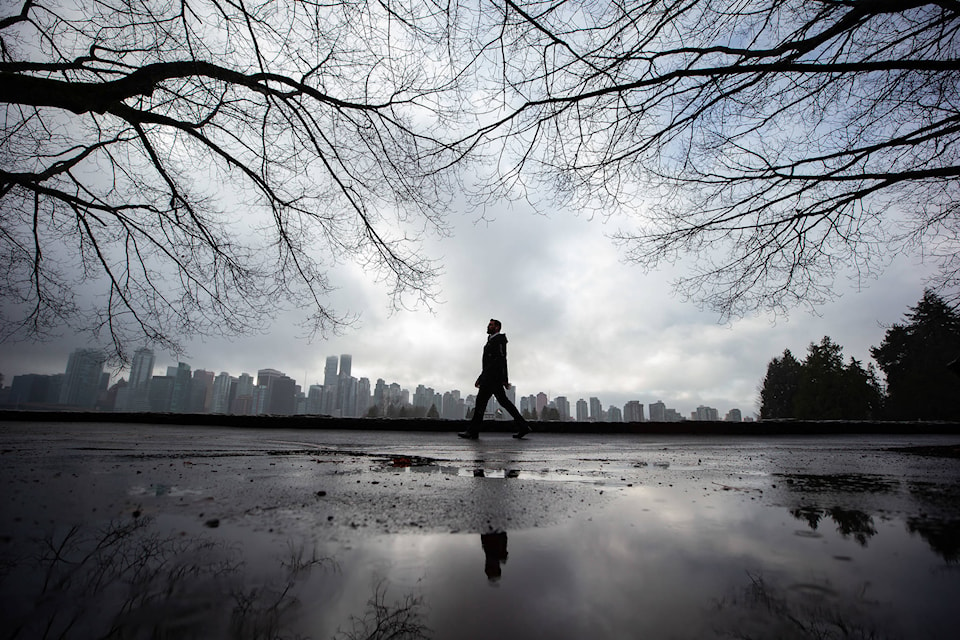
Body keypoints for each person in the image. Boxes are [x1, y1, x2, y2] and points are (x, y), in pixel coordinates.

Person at [458, 318, 532, 439]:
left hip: (491, 379)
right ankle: (523, 426)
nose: (488, 326)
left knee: (481, 403)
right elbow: (492, 362)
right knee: (504, 403)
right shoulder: (491, 340)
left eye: (491, 325)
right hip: (491, 378)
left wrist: (502, 379)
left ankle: (473, 431)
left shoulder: (499, 340)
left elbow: (501, 360)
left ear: (497, 327)